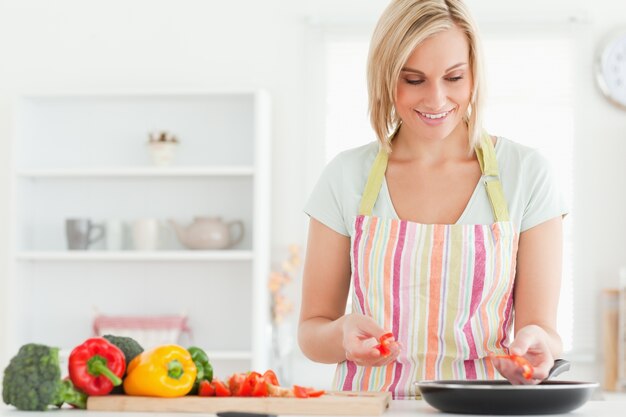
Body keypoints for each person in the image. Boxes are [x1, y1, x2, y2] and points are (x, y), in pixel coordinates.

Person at [297, 0, 567, 399]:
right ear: (385, 78)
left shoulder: (527, 173)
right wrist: (340, 334)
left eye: (454, 77)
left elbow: (543, 331)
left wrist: (538, 344)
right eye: (414, 79)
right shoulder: (345, 175)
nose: (437, 99)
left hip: (480, 409)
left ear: (474, 74)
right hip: (372, 407)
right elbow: (311, 331)